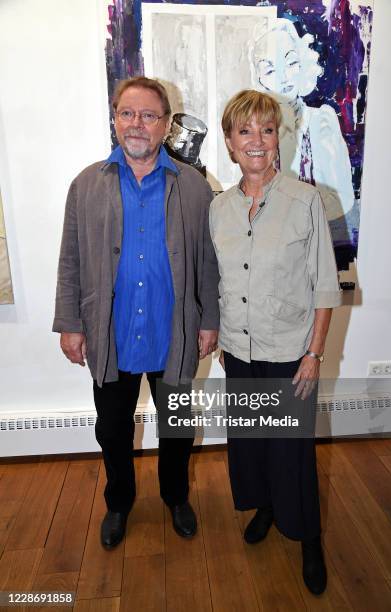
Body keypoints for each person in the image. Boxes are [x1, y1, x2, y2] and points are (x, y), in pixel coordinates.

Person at [53, 76, 219, 549]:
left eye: (149, 115)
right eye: (128, 113)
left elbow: (208, 261)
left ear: (165, 124)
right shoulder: (86, 185)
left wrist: (209, 320)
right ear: (115, 119)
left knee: (178, 428)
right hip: (112, 335)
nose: (137, 124)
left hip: (175, 334)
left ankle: (175, 497)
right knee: (112, 430)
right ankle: (119, 503)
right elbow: (71, 259)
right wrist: (69, 323)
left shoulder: (193, 186)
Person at [209, 89, 341, 595]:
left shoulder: (306, 201)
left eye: (266, 129)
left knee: (292, 451)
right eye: (245, 132)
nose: (257, 141)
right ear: (230, 143)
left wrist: (314, 354)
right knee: (251, 441)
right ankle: (264, 507)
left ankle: (307, 536)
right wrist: (220, 334)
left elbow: (324, 284)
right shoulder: (219, 209)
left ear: (277, 138)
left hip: (290, 351)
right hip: (239, 349)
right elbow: (219, 279)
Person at [250, 17, 354, 224]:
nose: (284, 77)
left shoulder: (320, 121)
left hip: (316, 241)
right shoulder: (254, 132)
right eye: (270, 70)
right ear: (259, 78)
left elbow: (341, 199)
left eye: (291, 62)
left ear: (304, 63)